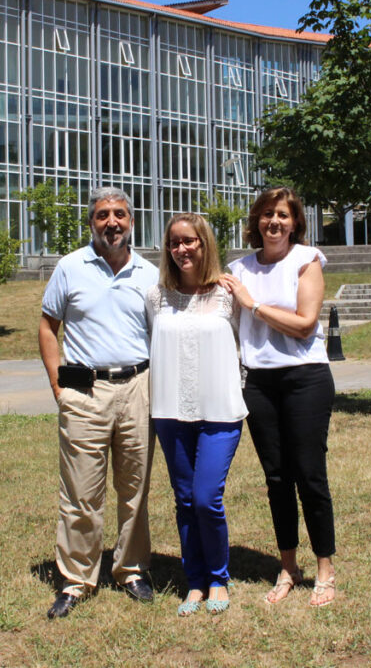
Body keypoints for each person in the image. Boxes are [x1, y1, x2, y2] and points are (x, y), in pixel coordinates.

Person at [38, 186, 161, 618]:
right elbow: (48, 327)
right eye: (103, 214)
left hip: (137, 389)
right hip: (84, 392)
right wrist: (60, 389)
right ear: (91, 221)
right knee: (80, 491)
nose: (112, 222)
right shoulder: (70, 267)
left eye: (120, 214)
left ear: (132, 221)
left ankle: (131, 569)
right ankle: (75, 579)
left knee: (136, 487)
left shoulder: (149, 273)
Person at [219, 186, 337, 608]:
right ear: (256, 221)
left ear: (295, 222)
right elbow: (223, 323)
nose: (275, 222)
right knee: (276, 479)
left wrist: (252, 305)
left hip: (305, 378)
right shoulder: (238, 269)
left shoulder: (306, 260)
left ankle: (325, 568)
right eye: (267, 214)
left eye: (283, 215)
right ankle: (288, 566)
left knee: (309, 474)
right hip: (259, 384)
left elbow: (305, 325)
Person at [146, 213, 247, 616]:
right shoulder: (156, 297)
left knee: (207, 498)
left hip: (220, 411)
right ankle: (195, 582)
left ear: (205, 244)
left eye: (190, 241)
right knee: (184, 499)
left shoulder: (228, 294)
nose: (182, 249)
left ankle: (219, 578)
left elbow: (244, 343)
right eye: (175, 242)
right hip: (170, 412)